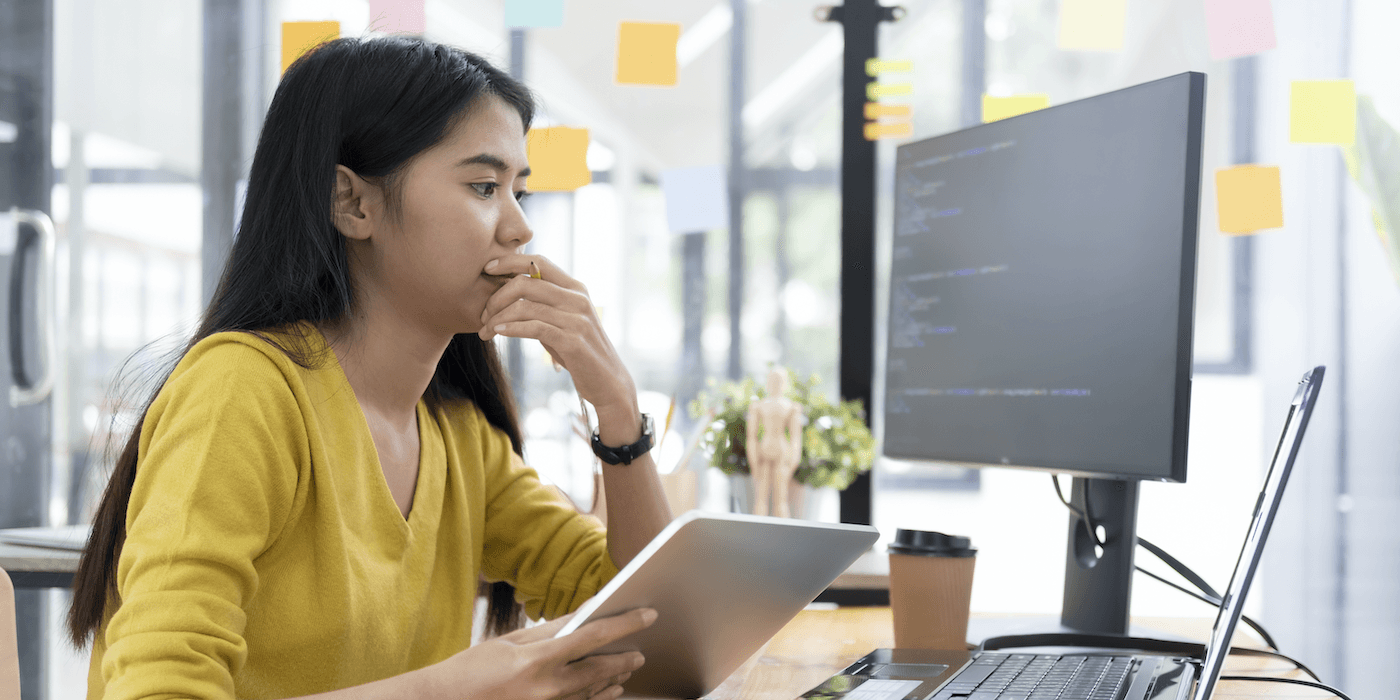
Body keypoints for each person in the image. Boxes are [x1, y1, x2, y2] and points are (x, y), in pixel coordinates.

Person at [66, 35, 672, 700]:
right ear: (353, 203)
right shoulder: (240, 393)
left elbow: (644, 632)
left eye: (518, 192)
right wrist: (445, 692)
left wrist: (618, 410)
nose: (520, 228)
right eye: (483, 186)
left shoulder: (458, 438)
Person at [745, 369, 804, 517]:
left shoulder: (791, 407)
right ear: (768, 383)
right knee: (760, 497)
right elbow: (751, 436)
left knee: (781, 499)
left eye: (779, 381)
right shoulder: (759, 406)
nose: (776, 384)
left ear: (785, 383)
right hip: (765, 452)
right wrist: (753, 459)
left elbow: (796, 437)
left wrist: (794, 458)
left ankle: (783, 528)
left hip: (782, 453)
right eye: (773, 380)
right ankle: (759, 527)